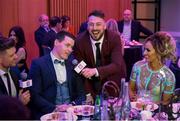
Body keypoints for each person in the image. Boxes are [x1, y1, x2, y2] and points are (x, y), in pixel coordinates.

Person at [29, 31, 86, 119]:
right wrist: (54, 108)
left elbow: (81, 94)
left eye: (72, 47)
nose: (70, 50)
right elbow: (34, 95)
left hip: (71, 114)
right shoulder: (38, 64)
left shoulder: (73, 64)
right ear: (56, 42)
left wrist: (72, 105)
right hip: (48, 114)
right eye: (67, 45)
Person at [73, 10, 126, 98]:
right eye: (91, 24)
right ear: (87, 26)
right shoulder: (79, 40)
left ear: (104, 26)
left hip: (113, 80)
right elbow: (79, 66)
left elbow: (116, 65)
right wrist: (88, 93)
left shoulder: (114, 38)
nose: (94, 28)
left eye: (98, 24)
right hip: (90, 83)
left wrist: (95, 71)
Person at [129, 31, 176, 105]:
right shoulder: (137, 66)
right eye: (144, 49)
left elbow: (166, 102)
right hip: (136, 110)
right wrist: (132, 98)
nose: (144, 53)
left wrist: (146, 104)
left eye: (148, 50)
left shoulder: (169, 76)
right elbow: (130, 88)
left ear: (158, 52)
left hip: (155, 114)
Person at [0, 37, 30, 105]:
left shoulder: (15, 69)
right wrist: (19, 103)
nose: (16, 57)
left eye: (15, 53)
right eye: (11, 55)